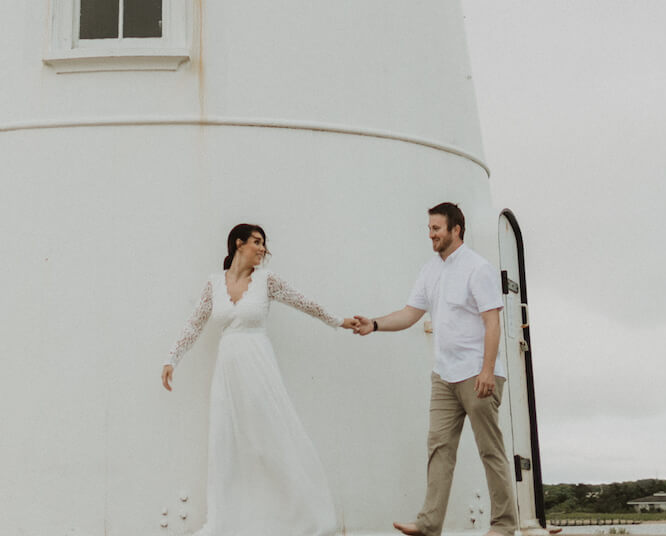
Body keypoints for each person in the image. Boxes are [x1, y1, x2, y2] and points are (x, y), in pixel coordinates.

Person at [344, 202, 516, 536]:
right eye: (429, 229)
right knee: (439, 448)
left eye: (436, 228)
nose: (431, 235)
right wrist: (374, 324)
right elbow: (410, 314)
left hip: (478, 373)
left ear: (456, 230)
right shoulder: (429, 270)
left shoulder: (478, 269)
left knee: (489, 450)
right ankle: (429, 523)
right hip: (444, 375)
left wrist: (487, 370)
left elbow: (492, 323)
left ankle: (504, 525)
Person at [162, 222, 344, 536]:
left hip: (259, 366)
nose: (262, 249)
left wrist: (339, 321)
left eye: (263, 243)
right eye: (257, 242)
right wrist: (172, 359)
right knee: (227, 442)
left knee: (269, 440)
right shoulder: (213, 284)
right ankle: (230, 520)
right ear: (238, 243)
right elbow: (194, 325)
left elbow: (305, 303)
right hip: (228, 371)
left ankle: (299, 515)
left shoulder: (266, 281)